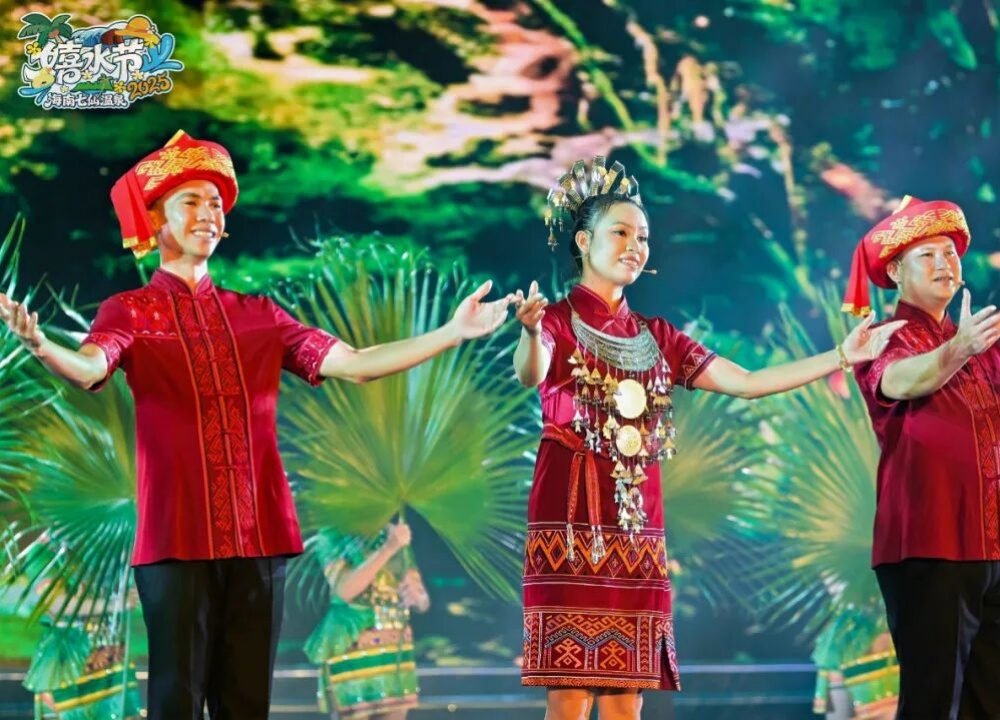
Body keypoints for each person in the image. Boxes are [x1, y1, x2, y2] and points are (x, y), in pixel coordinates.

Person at [0, 130, 514, 720]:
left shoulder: (258, 315)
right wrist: (42, 345)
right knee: (176, 702)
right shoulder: (131, 311)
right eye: (191, 201)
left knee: (246, 705)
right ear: (157, 219)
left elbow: (356, 364)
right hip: (174, 538)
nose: (208, 212)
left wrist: (452, 332)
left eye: (216, 203)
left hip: (257, 538)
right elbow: (91, 366)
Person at [512, 156, 905, 720]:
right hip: (571, 521)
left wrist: (843, 355)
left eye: (643, 237)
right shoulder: (553, 320)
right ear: (583, 240)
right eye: (620, 232)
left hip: (637, 527)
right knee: (569, 695)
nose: (635, 246)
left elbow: (748, 382)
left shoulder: (657, 335)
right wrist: (529, 332)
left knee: (626, 697)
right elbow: (531, 372)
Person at [845, 196, 1000, 720]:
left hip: (992, 543)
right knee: (933, 703)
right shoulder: (884, 339)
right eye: (927, 255)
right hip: (932, 544)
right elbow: (901, 380)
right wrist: (960, 350)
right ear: (895, 271)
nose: (943, 264)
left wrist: (968, 344)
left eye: (949, 253)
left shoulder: (978, 341)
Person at [304, 522, 429, 720]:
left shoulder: (395, 532)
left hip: (395, 647)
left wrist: (418, 598)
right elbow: (343, 590)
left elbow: (421, 598)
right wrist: (388, 549)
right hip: (353, 643)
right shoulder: (334, 533)